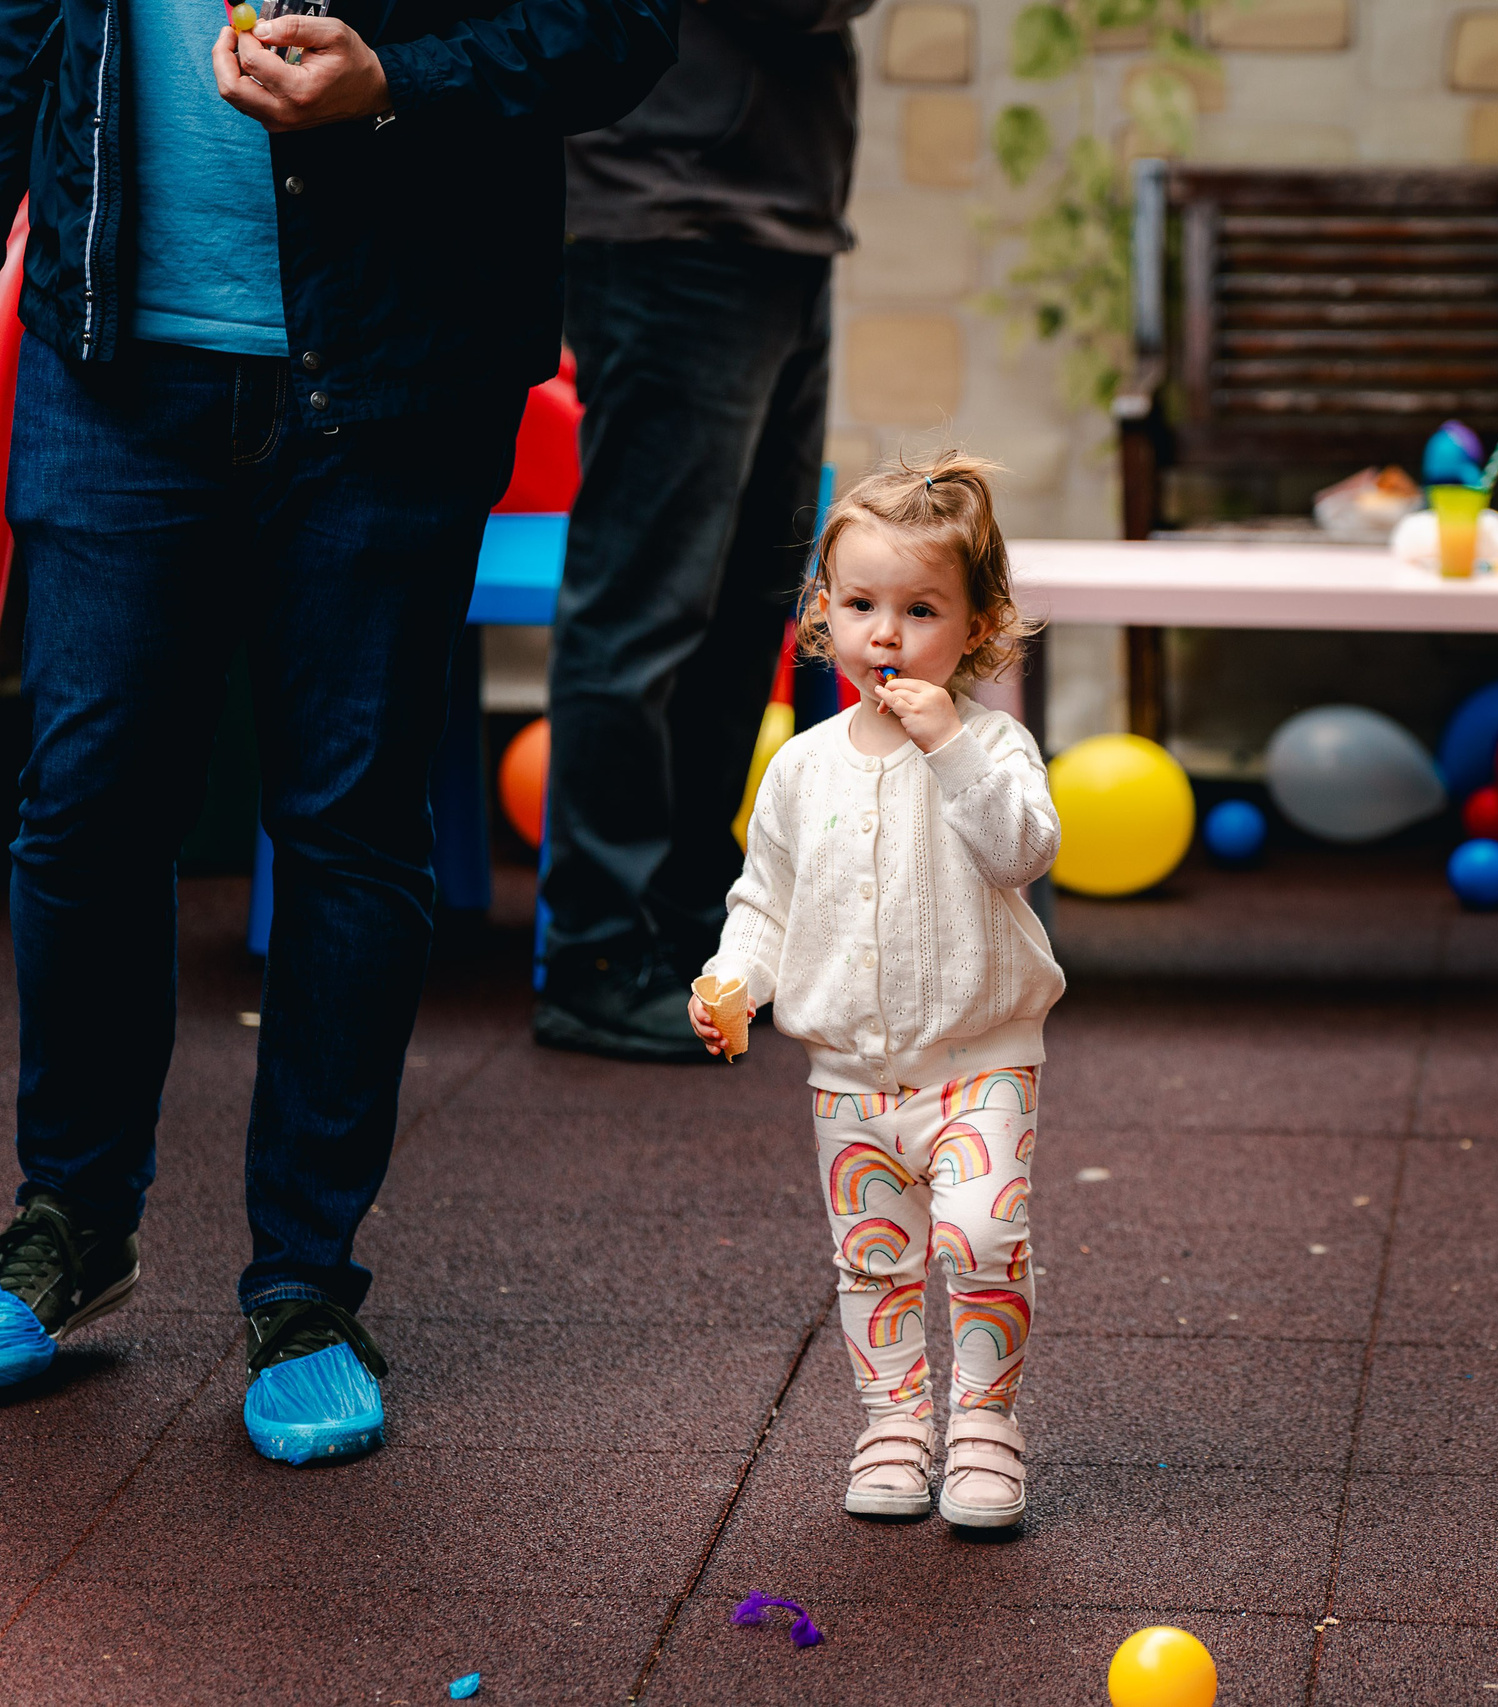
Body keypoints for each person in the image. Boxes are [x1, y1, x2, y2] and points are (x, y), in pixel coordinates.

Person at [0, 0, 675, 1454]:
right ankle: (71, 1218)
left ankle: (305, 1283)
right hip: (106, 355)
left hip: (398, 363)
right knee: (84, 805)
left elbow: (618, 26)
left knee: (349, 825)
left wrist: (395, 84)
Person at [690, 453, 1062, 1528]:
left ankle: (985, 1425)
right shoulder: (802, 767)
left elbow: (1022, 851)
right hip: (849, 1078)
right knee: (874, 1262)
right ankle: (894, 1425)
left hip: (982, 1061)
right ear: (824, 611)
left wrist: (950, 746)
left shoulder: (994, 745)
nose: (886, 635)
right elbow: (766, 900)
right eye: (861, 606)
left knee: (982, 1241)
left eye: (920, 609)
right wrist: (733, 979)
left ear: (979, 624)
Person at [532, 0, 876, 1061]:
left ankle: (686, 926)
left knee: (744, 604)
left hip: (772, 217)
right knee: (644, 606)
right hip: (674, 219)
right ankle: (596, 955)